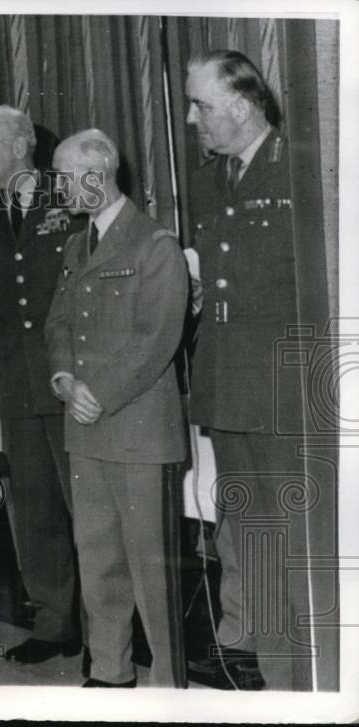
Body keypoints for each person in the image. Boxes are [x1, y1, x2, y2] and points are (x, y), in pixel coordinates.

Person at [185, 50, 316, 691]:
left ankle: (314, 689)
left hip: (287, 396)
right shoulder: (209, 180)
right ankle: (276, 687)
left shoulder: (305, 166)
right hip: (227, 391)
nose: (191, 118)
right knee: (256, 551)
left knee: (298, 549)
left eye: (201, 105)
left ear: (241, 106)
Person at [45, 129, 188, 688]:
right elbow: (58, 322)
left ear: (96, 173)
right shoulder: (76, 245)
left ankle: (172, 686)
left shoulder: (154, 245)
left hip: (137, 431)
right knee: (98, 559)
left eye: (63, 176)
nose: (57, 188)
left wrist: (95, 393)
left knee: (153, 571)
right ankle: (110, 671)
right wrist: (63, 378)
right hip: (86, 430)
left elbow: (156, 339)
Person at [0, 106, 82, 664]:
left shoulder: (72, 197)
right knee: (33, 507)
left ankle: (112, 631)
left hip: (71, 373)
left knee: (89, 505)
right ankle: (56, 624)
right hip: (15, 376)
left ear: (19, 143)